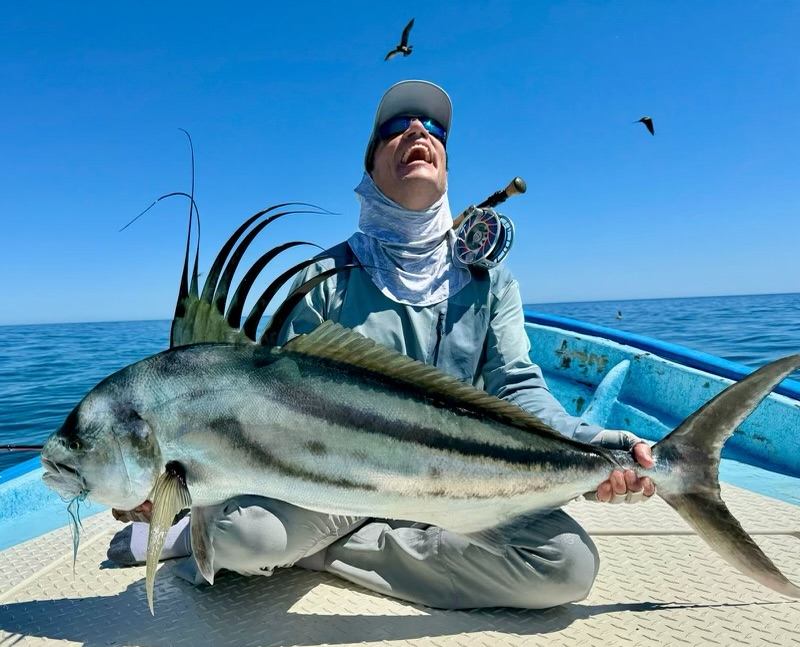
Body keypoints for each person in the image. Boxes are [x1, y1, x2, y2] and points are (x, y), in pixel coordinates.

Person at [108, 79, 655, 610]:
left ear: (445, 166)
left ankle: (325, 556)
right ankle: (268, 538)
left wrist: (597, 442)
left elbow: (518, 386)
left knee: (565, 566)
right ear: (370, 167)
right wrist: (180, 476)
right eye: (398, 125)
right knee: (238, 539)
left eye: (436, 129)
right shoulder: (325, 278)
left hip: (456, 482)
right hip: (331, 487)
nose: (420, 129)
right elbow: (274, 410)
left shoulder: (490, 283)